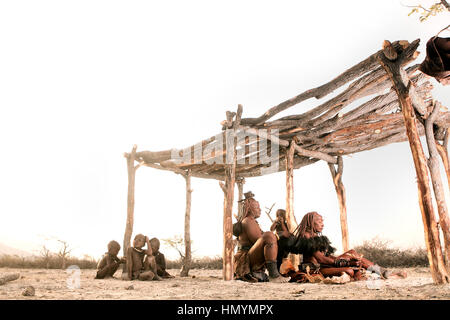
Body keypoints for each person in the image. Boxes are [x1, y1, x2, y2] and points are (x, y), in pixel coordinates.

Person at [290, 211, 406, 280]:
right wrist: (348, 262)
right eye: (319, 221)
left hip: (325, 266)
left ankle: (384, 272)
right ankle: (381, 274)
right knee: (350, 271)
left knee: (353, 253)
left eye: (322, 221)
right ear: (310, 222)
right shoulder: (306, 236)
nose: (322, 224)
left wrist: (347, 258)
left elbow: (328, 257)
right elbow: (322, 259)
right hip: (316, 270)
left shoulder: (316, 236)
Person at [234, 192, 288, 283]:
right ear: (250, 209)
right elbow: (258, 241)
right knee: (269, 236)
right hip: (246, 259)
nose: (260, 210)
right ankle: (274, 275)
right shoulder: (247, 221)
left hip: (251, 257)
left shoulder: (252, 221)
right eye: (257, 207)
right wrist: (274, 237)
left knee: (271, 237)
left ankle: (275, 272)